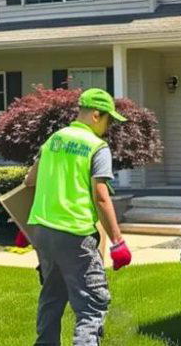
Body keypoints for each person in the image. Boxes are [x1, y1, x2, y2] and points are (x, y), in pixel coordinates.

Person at [25, 88, 133, 346]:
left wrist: (25, 223)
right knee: (93, 304)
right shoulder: (97, 147)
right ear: (96, 115)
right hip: (75, 235)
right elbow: (100, 196)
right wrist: (118, 241)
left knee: (52, 296)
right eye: (108, 120)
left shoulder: (54, 140)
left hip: (44, 232)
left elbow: (30, 180)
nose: (109, 128)